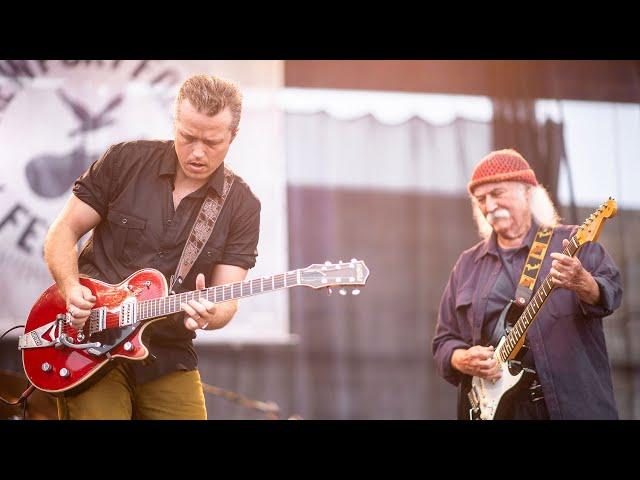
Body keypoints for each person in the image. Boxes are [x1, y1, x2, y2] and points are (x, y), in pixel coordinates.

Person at [43, 74, 261, 419]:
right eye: (188, 137)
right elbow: (63, 231)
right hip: (88, 341)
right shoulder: (124, 162)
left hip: (168, 351)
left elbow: (226, 299)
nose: (198, 151)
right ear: (174, 123)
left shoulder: (242, 205)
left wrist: (211, 315)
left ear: (232, 136)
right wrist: (70, 287)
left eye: (212, 141)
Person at [432, 149, 622, 419]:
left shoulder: (574, 243)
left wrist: (584, 283)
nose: (489, 206)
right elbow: (443, 342)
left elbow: (612, 293)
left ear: (527, 191)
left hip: (569, 408)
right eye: (481, 199)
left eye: (497, 193)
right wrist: (460, 358)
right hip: (491, 410)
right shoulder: (467, 264)